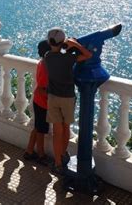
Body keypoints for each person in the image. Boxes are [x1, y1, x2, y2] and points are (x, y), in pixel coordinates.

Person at [44, 27, 92, 175]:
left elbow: (58, 55)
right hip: (67, 98)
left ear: (48, 41)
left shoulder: (47, 56)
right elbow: (87, 55)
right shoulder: (69, 58)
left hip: (53, 97)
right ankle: (63, 154)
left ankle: (58, 163)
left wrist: (64, 46)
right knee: (66, 129)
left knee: (57, 131)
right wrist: (75, 44)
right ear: (62, 41)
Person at [24, 40, 51, 165]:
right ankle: (41, 154)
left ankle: (29, 151)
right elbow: (42, 87)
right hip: (42, 102)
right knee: (41, 130)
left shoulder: (42, 63)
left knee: (37, 127)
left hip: (38, 101)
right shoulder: (46, 66)